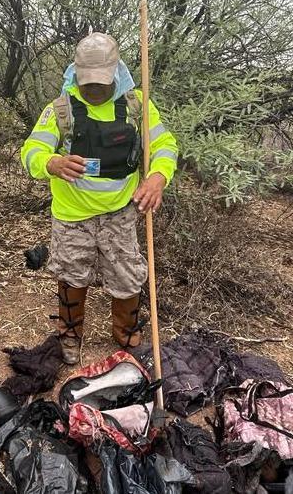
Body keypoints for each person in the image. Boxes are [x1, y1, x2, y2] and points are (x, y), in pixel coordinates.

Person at [20, 32, 179, 364]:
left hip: (120, 212)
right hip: (72, 214)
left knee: (127, 276)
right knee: (71, 275)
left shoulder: (137, 105)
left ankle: (126, 334)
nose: (92, 90)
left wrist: (157, 177)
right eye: (86, 82)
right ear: (76, 73)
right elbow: (31, 150)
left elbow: (165, 145)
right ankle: (69, 335)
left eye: (100, 83)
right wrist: (52, 162)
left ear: (116, 72)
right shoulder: (61, 110)